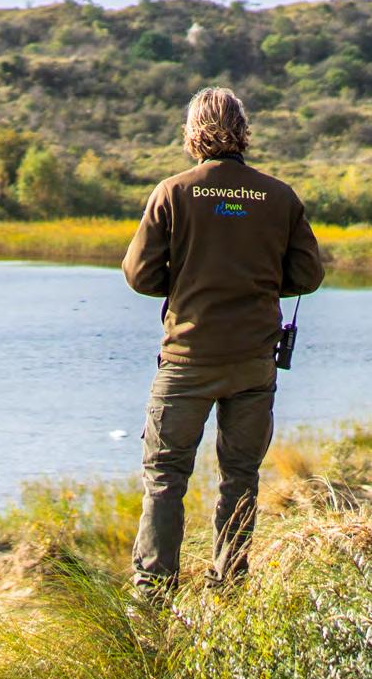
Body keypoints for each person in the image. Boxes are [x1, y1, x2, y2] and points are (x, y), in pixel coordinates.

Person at [119, 86, 327, 587]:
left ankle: (153, 593)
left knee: (166, 478)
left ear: (193, 133)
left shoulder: (173, 191)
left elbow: (139, 275)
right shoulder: (278, 196)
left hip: (187, 361)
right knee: (240, 478)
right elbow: (308, 274)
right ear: (243, 131)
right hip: (254, 362)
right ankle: (229, 584)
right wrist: (255, 283)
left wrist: (189, 280)